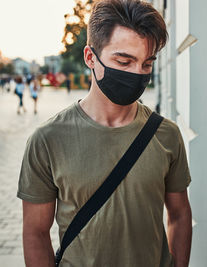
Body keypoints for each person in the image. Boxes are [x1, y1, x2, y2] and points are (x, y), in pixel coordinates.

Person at [17, 1, 192, 266]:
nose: (137, 74)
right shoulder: (47, 139)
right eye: (124, 61)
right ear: (90, 57)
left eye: (147, 64)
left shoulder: (167, 134)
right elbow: (35, 232)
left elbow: (179, 216)